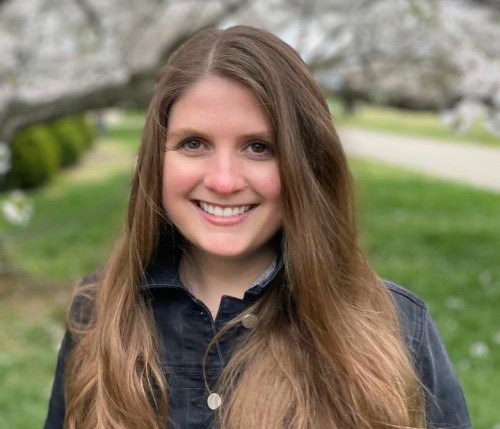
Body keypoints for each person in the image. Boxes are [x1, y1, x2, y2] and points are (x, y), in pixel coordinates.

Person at [44, 25, 471, 429]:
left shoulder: (394, 326)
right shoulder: (99, 312)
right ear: (157, 159)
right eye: (194, 144)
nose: (224, 181)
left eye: (259, 147)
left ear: (306, 164)